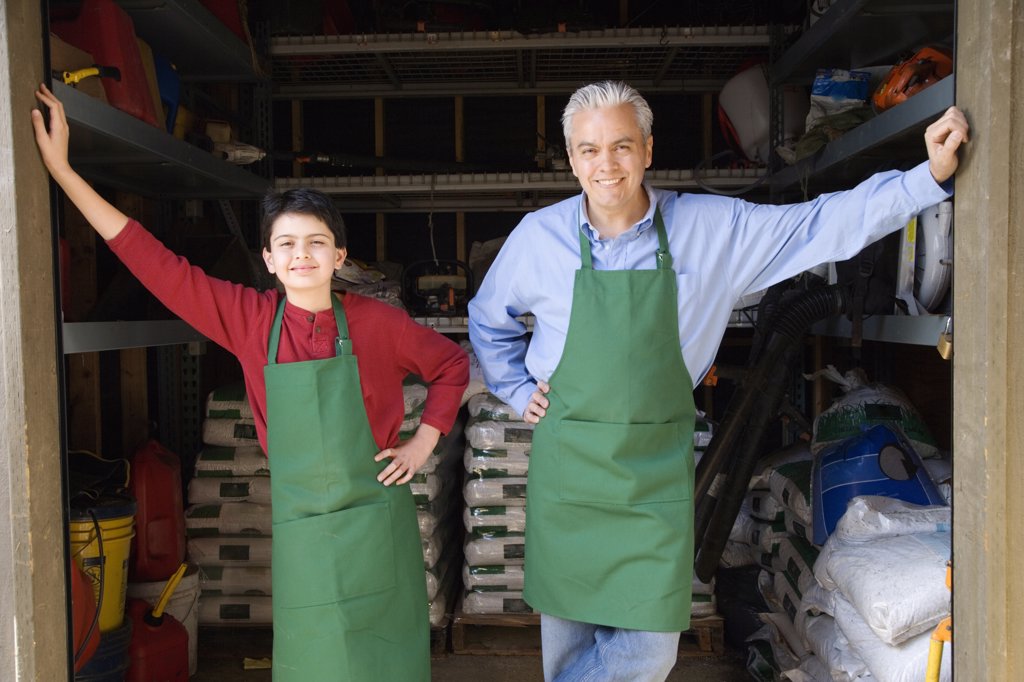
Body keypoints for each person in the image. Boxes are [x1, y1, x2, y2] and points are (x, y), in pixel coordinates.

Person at [468, 80, 968, 681]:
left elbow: (818, 224)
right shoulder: (536, 238)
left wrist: (925, 179)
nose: (606, 165)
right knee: (570, 650)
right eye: (589, 150)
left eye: (622, 146)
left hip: (650, 477)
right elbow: (487, 318)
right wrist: (518, 390)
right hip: (567, 470)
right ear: (572, 158)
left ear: (648, 150)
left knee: (648, 650)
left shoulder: (712, 228)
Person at [32, 83, 469, 682]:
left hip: (376, 523)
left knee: (384, 659)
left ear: (340, 255)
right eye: (286, 244)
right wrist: (62, 170)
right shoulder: (248, 319)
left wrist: (424, 442)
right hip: (300, 530)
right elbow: (151, 260)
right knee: (315, 660)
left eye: (317, 242)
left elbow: (452, 365)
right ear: (267, 259)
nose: (302, 255)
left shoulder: (379, 324)